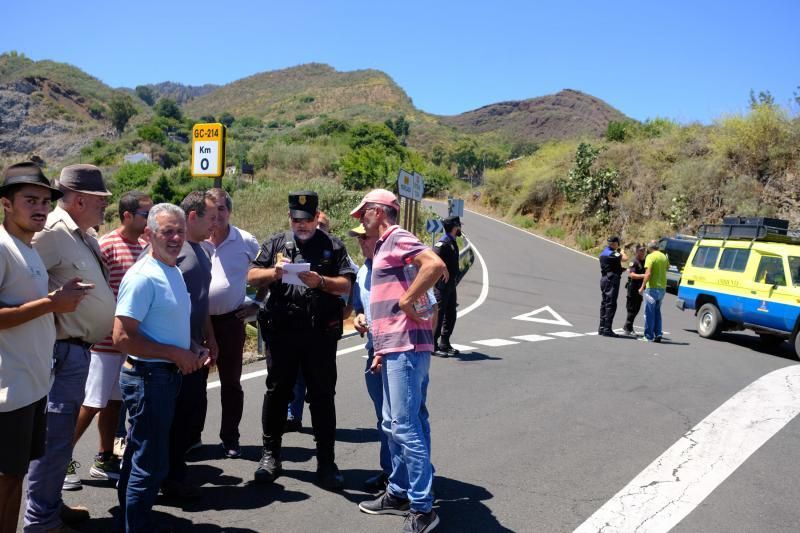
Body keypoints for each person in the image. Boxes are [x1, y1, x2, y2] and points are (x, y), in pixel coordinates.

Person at [25, 164, 117, 532]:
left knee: (59, 441)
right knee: (52, 440)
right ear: (79, 200)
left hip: (75, 351)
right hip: (59, 352)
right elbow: (21, 280)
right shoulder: (51, 233)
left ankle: (49, 505)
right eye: (100, 201)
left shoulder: (81, 233)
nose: (104, 207)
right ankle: (41, 520)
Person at [113, 203, 210, 532]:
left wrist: (192, 347)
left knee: (142, 457)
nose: (175, 237)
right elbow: (123, 337)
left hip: (163, 376)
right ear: (149, 234)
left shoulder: (171, 270)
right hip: (148, 377)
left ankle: (130, 521)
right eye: (167, 231)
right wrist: (173, 353)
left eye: (180, 231)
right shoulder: (142, 276)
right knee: (150, 464)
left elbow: (165, 323)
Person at [248, 191, 355, 490]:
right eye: (297, 220)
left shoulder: (333, 246)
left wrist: (320, 281)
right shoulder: (275, 243)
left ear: (317, 217)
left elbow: (346, 283)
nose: (303, 225)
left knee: (322, 396)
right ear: (290, 218)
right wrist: (274, 272)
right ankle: (270, 455)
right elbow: (252, 275)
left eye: (308, 219)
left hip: (319, 334)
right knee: (277, 391)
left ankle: (326, 461)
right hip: (282, 332)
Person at [354, 189, 446, 533]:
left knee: (405, 426)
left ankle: (422, 508)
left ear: (379, 212)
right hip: (394, 346)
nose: (361, 219)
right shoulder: (386, 245)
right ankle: (398, 490)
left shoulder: (396, 238)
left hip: (406, 347)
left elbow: (434, 264)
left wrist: (408, 299)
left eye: (364, 212)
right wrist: (380, 346)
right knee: (399, 423)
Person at [0, 163, 85, 533]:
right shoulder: (3, 248)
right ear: (6, 203)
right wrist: (53, 303)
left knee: (14, 476)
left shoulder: (28, 249)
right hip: (8, 390)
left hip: (32, 387)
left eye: (45, 202)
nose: (40, 208)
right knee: (4, 479)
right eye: (29, 200)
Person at [66, 191, 152, 490]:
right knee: (91, 403)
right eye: (145, 214)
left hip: (128, 343)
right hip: (103, 342)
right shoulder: (106, 245)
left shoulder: (145, 246)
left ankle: (103, 458)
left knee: (114, 404)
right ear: (127, 216)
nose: (149, 220)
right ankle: (62, 459)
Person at [162, 191, 219, 499]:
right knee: (171, 419)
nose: (217, 222)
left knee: (190, 416)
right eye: (211, 217)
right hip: (176, 352)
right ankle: (165, 478)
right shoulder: (174, 252)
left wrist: (209, 336)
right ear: (193, 216)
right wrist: (184, 347)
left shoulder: (201, 250)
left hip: (195, 348)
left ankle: (174, 472)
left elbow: (200, 300)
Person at [203, 188, 260, 458]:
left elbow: (269, 272)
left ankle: (230, 438)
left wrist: (258, 303)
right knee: (193, 384)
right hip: (197, 322)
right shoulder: (196, 239)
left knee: (231, 383)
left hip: (231, 321)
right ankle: (191, 438)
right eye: (211, 213)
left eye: (221, 211)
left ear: (230, 211)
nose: (216, 218)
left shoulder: (246, 241)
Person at [349, 223, 391, 492]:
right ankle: (390, 473)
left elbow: (426, 306)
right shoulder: (363, 270)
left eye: (366, 237)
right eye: (359, 237)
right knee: (383, 420)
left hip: (396, 355)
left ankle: (411, 480)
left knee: (400, 422)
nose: (361, 241)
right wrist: (359, 319)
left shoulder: (396, 268)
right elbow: (358, 309)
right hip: (373, 354)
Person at [433, 216, 461, 357]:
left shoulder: (452, 242)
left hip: (450, 286)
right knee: (439, 314)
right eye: (459, 226)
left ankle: (445, 343)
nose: (461, 228)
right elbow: (432, 258)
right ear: (455, 226)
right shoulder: (443, 243)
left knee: (451, 314)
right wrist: (442, 267)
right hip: (441, 286)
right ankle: (433, 344)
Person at [639, 240, 669, 343]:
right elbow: (667, 267)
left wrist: (642, 287)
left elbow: (648, 274)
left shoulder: (650, 257)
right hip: (662, 288)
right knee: (657, 312)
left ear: (649, 248)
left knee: (649, 313)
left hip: (652, 288)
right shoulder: (663, 256)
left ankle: (648, 336)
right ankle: (658, 334)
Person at [598, 236, 628, 337]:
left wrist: (619, 269)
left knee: (604, 303)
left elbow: (612, 264)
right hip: (611, 281)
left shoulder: (604, 252)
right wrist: (622, 251)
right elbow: (625, 258)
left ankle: (602, 328)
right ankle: (607, 329)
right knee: (611, 304)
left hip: (605, 279)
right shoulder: (612, 253)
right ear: (615, 243)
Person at [623, 245, 647, 336]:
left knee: (637, 308)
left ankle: (628, 326)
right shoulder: (634, 262)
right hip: (633, 287)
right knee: (631, 308)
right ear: (636, 252)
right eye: (640, 251)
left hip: (640, 288)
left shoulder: (644, 261)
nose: (642, 253)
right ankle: (627, 328)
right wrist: (643, 276)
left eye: (643, 251)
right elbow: (631, 275)